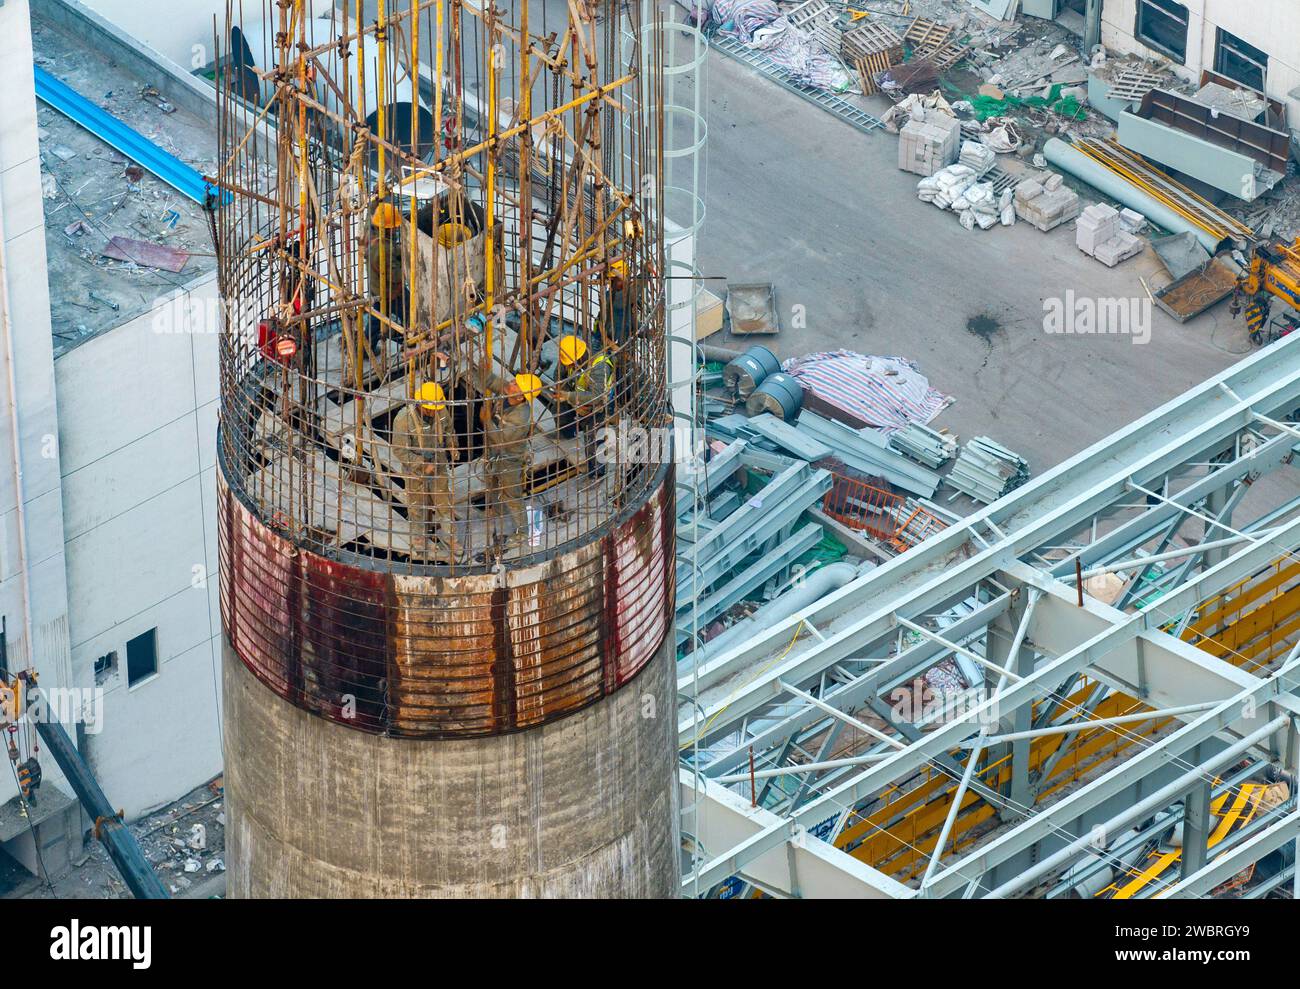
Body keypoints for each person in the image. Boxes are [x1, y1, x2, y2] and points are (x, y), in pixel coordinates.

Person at [391, 381, 459, 559]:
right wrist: (421, 464)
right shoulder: (403, 420)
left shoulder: (441, 411)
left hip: (438, 464)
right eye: (429, 408)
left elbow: (450, 430)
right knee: (416, 506)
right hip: (415, 471)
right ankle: (419, 538)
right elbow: (399, 450)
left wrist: (452, 445)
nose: (433, 411)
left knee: (444, 504)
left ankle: (451, 538)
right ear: (420, 403)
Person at [481, 372, 540, 543]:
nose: (511, 383)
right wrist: (483, 370)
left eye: (516, 384)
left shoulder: (521, 417)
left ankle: (523, 532)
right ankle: (498, 509)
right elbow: (491, 380)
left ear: (521, 396)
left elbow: (501, 440)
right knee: (490, 478)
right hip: (494, 452)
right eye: (514, 380)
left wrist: (487, 422)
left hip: (510, 458)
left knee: (512, 495)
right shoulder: (509, 392)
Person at [366, 202, 406, 354]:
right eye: (394, 227)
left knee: (376, 319)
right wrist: (409, 263)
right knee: (411, 314)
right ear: (387, 229)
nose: (396, 228)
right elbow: (396, 276)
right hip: (391, 293)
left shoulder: (373, 237)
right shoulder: (385, 250)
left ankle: (365, 349)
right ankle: (412, 345)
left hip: (376, 289)